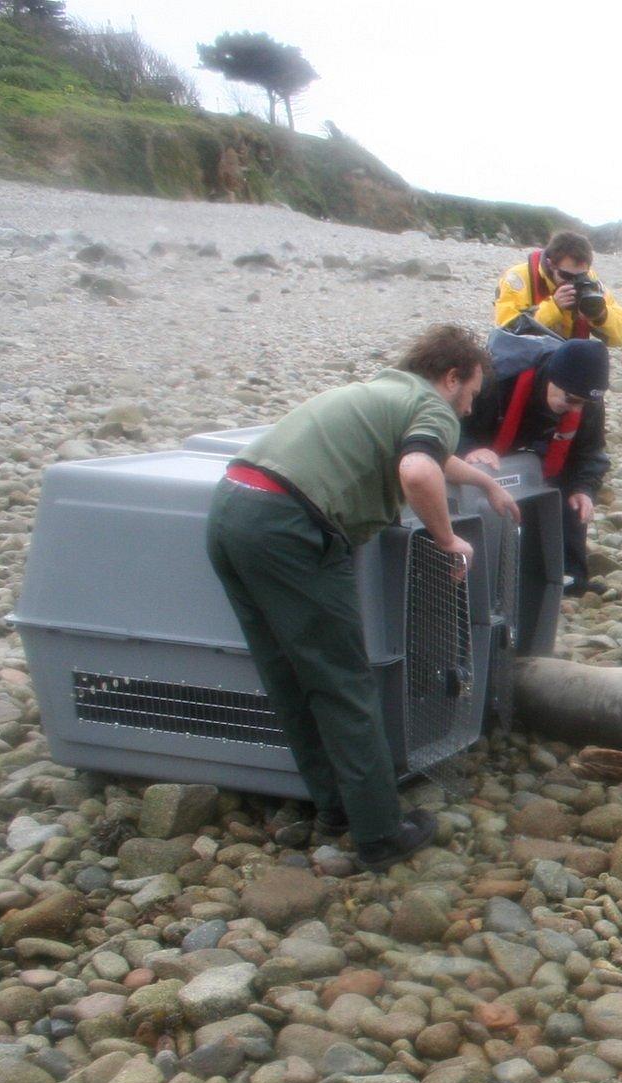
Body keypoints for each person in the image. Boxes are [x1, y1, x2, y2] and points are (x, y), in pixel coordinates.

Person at [205, 325, 519, 871]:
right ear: (450, 378)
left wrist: (487, 482)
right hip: (289, 529)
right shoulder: (432, 407)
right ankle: (379, 834)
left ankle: (333, 809)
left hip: (233, 512)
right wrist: (447, 541)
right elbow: (418, 468)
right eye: (470, 393)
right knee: (343, 683)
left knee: (288, 675)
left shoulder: (382, 393)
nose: (469, 409)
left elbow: (431, 456)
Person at [459, 335, 610, 596]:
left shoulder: (584, 398)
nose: (575, 409)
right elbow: (451, 422)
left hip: (540, 445)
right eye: (571, 400)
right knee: (473, 482)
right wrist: (470, 449)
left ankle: (566, 578)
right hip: (487, 434)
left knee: (572, 495)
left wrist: (584, 488)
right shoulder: (498, 379)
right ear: (551, 378)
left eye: (582, 404)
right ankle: (474, 575)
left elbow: (590, 451)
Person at [493, 230, 622, 347]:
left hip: (569, 355)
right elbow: (505, 332)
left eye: (581, 276)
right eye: (566, 276)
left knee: (596, 355)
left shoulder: (590, 282)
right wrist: (553, 307)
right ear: (550, 264)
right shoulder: (517, 279)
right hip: (529, 354)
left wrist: (601, 315)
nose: (573, 281)